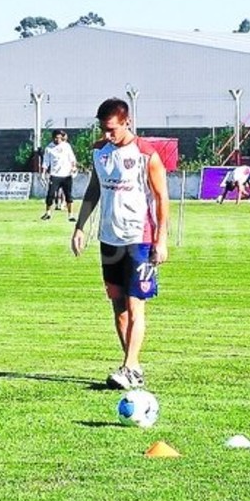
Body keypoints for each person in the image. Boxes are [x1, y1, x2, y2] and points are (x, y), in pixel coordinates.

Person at [71, 98, 170, 390]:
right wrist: (80, 226)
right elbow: (94, 189)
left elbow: (162, 197)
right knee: (118, 307)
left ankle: (129, 366)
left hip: (139, 238)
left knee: (135, 304)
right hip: (109, 239)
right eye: (103, 129)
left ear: (126, 122)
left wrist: (161, 240)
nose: (107, 135)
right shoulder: (100, 152)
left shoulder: (146, 155)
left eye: (112, 129)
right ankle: (133, 367)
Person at [41, 129, 77, 221]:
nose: (58, 140)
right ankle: (48, 213)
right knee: (50, 194)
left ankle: (70, 215)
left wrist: (73, 167)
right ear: (53, 138)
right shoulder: (49, 148)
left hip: (66, 175)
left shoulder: (66, 146)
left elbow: (72, 158)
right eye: (56, 138)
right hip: (55, 175)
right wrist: (43, 173)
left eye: (60, 138)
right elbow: (46, 162)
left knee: (68, 195)